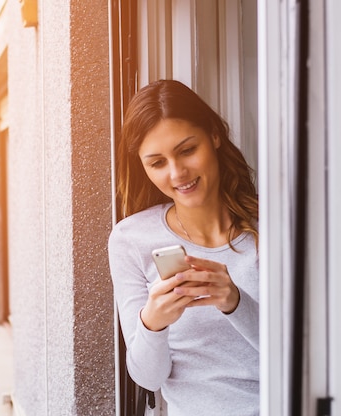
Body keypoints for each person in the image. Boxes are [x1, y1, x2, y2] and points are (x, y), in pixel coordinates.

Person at [108, 79, 259, 415]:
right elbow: (148, 377)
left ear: (214, 136)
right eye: (157, 163)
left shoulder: (274, 227)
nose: (177, 173)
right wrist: (153, 323)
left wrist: (235, 302)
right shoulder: (131, 240)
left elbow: (307, 356)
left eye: (187, 150)